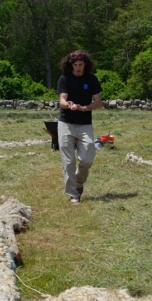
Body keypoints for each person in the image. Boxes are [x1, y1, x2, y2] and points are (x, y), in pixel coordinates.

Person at [57, 50, 102, 204]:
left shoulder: (91, 79)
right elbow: (62, 100)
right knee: (68, 162)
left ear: (85, 64)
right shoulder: (64, 79)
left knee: (87, 159)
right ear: (70, 65)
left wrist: (86, 108)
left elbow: (98, 101)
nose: (78, 68)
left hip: (85, 124)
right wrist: (69, 105)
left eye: (80, 65)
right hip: (66, 123)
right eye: (75, 65)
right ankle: (73, 194)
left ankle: (79, 181)